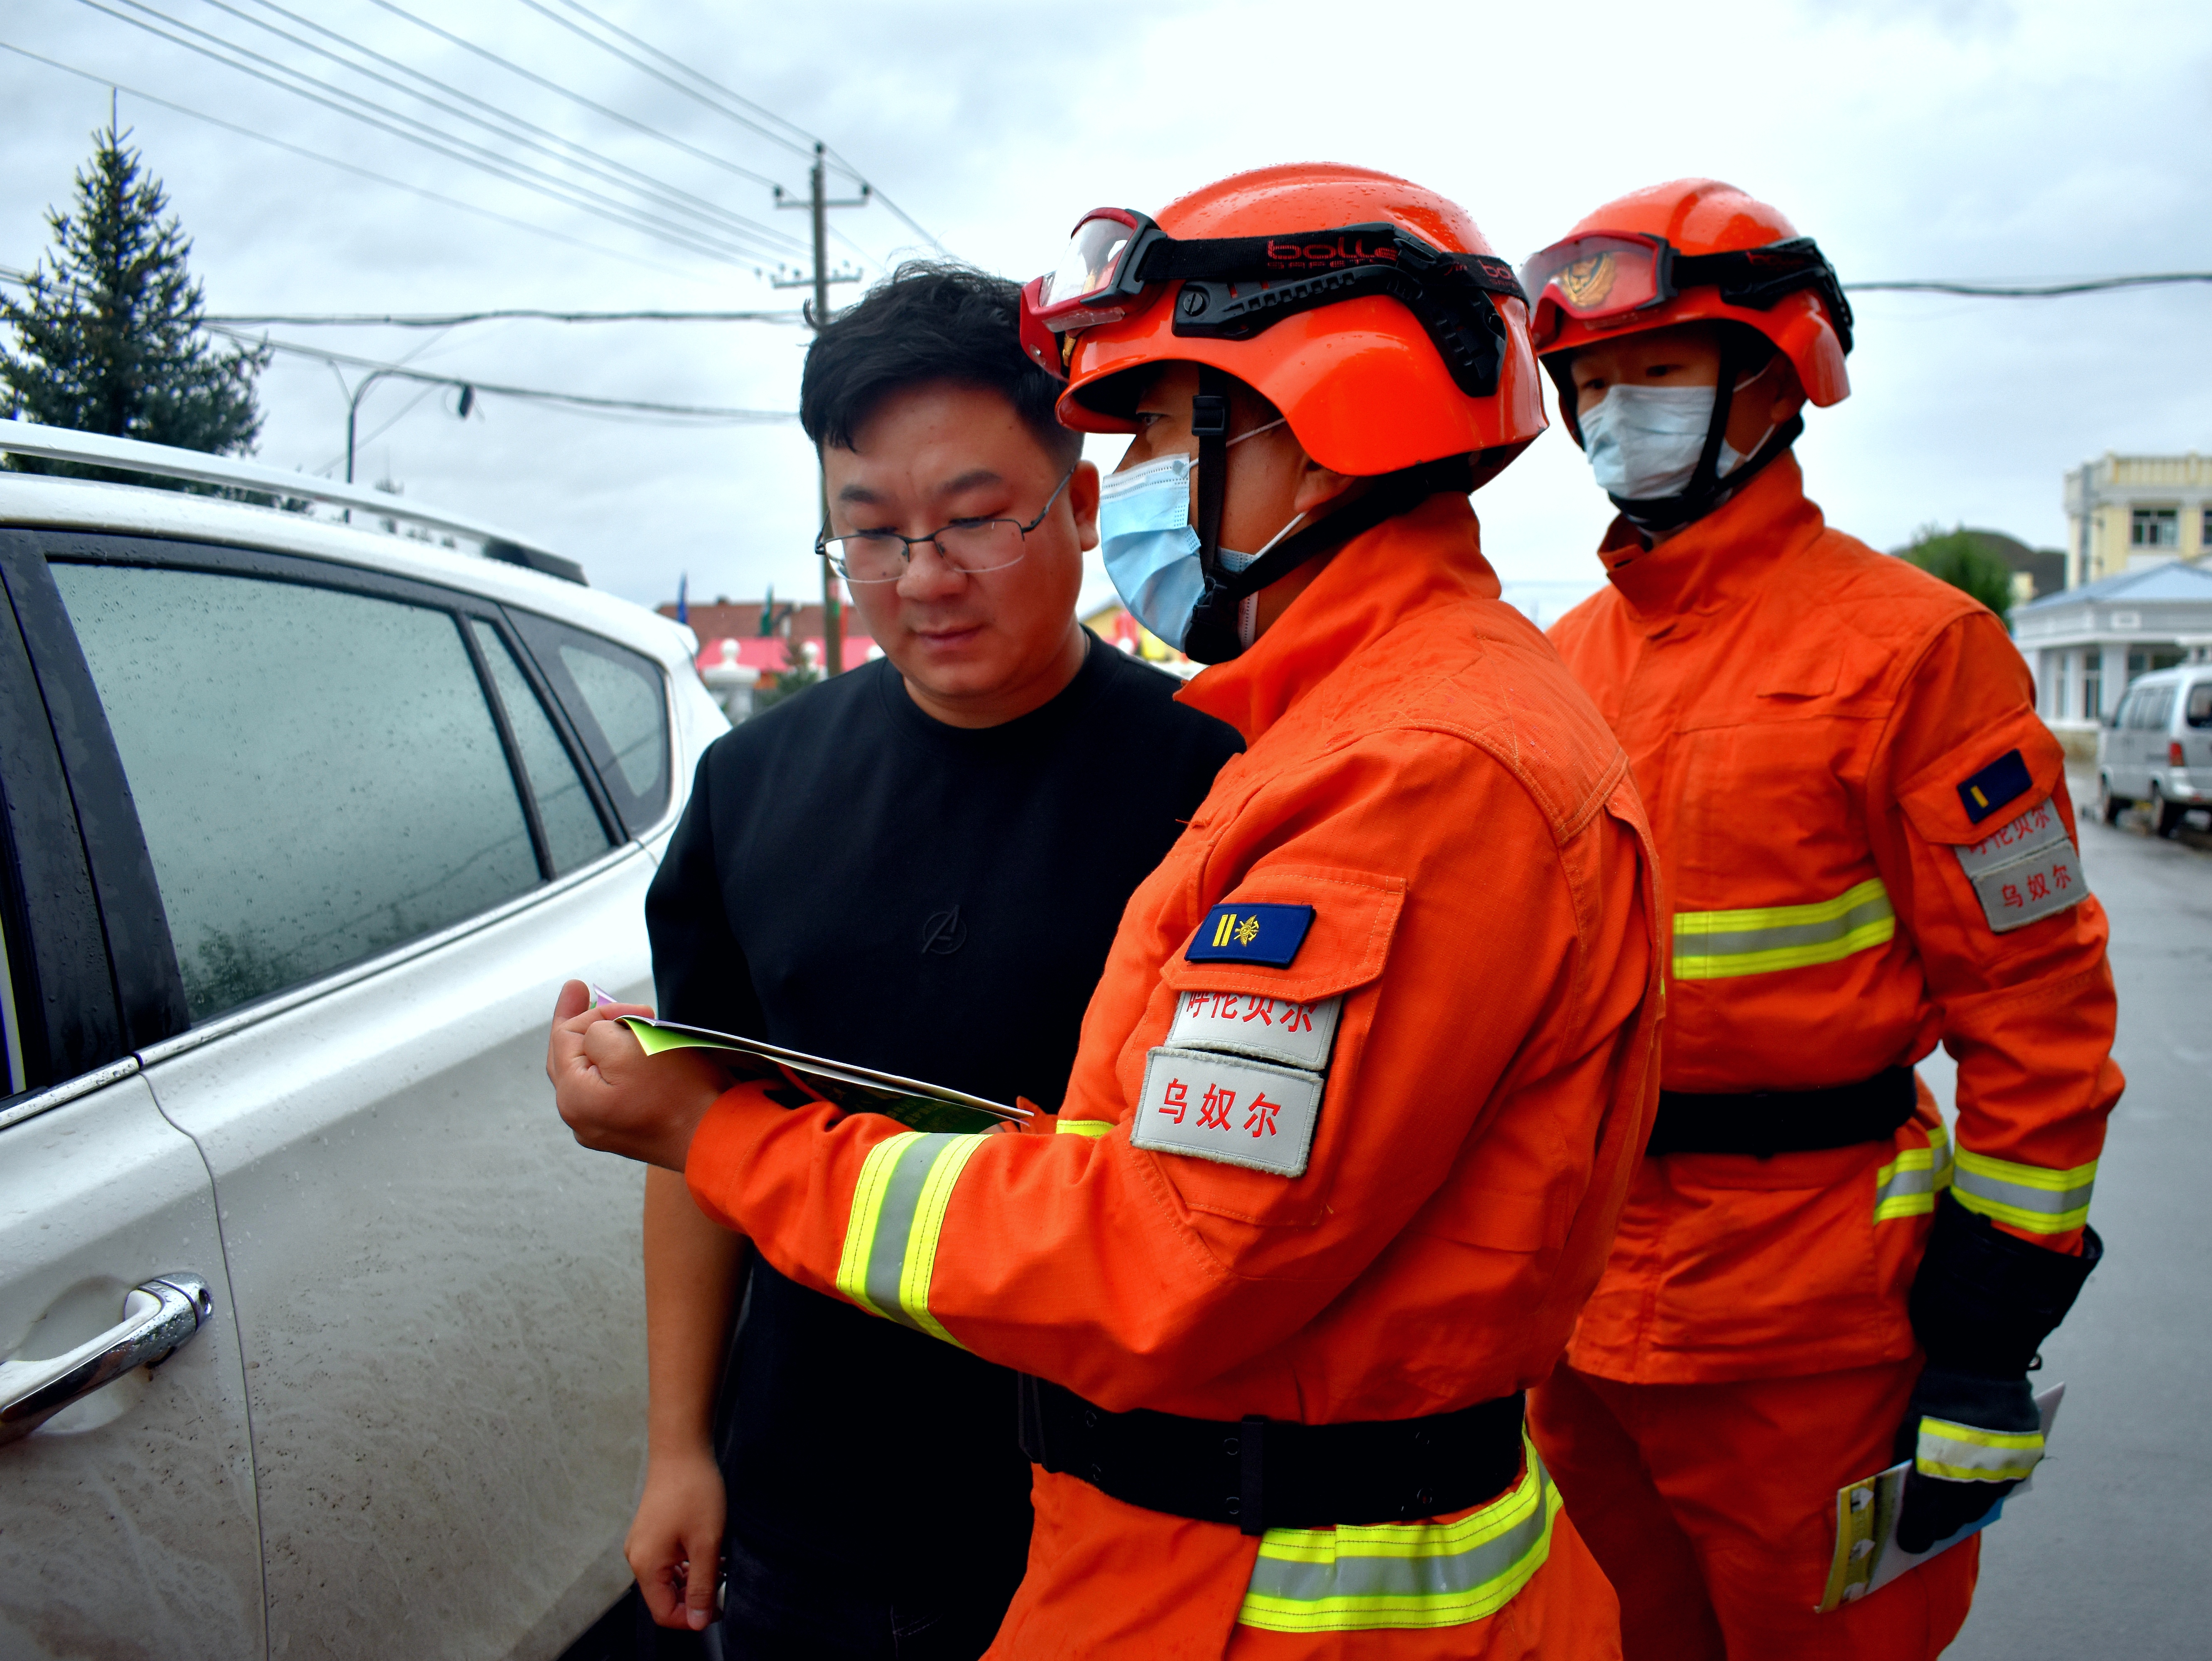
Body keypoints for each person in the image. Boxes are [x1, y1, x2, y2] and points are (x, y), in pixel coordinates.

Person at [553, 163, 1662, 1660]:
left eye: (1150, 427)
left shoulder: (1398, 778)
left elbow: (1159, 1250)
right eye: (870, 534)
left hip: (1264, 1583)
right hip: (1055, 1533)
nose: (1135, 474)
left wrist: (718, 1135)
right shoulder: (1340, 741)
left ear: (1321, 444)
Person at [1515, 179, 2120, 1660]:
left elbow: (2039, 1010)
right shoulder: (1554, 661)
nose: (1611, 412)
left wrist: (1993, 1324)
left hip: (1815, 1334)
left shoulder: (1921, 652)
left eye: (1651, 373)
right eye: (1588, 381)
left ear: (1773, 381)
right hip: (1575, 1312)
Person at [619, 262, 1244, 1658]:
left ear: (1082, 510)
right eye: (874, 534)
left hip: (1121, 1521)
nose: (925, 578)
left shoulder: (1224, 789)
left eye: (976, 521)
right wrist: (678, 1447)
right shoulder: (751, 785)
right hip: (807, 1518)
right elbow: (699, 1138)